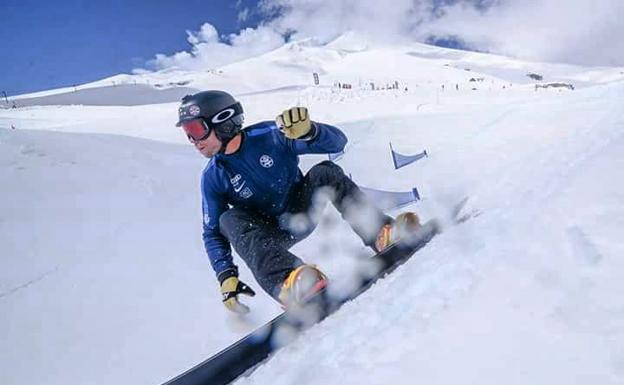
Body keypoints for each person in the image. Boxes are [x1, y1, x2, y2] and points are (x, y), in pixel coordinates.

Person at [176, 90, 420, 313]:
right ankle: (291, 283)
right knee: (227, 219)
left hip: (302, 211)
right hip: (269, 235)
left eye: (196, 130)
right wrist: (225, 274)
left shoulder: (270, 135)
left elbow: (338, 143)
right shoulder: (213, 177)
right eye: (188, 134)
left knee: (325, 171)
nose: (194, 141)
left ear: (224, 121)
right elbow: (212, 233)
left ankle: (381, 233)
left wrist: (311, 132)